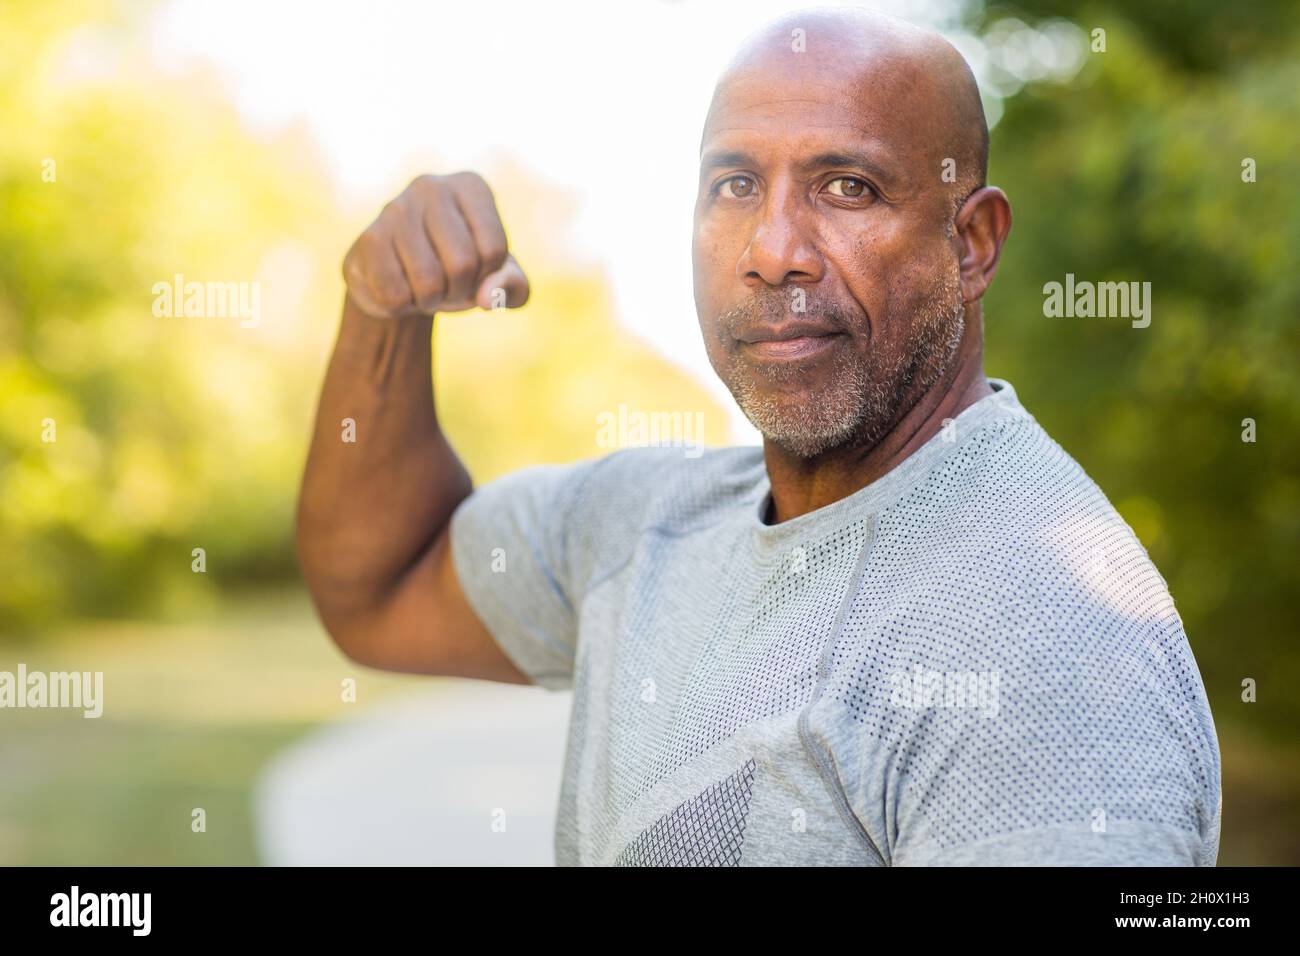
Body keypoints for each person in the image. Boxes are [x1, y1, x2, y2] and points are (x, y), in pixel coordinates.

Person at [295, 7, 1222, 866]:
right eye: (735, 184)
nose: (773, 249)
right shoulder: (643, 525)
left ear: (971, 243)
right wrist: (383, 313)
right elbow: (379, 586)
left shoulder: (1041, 636)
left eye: (847, 187)